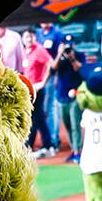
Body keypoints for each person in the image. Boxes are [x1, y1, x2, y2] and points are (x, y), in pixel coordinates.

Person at [21, 27, 55, 158]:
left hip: (37, 89)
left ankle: (29, 145)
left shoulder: (39, 49)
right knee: (39, 117)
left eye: (30, 36)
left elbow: (50, 63)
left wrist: (43, 82)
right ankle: (48, 145)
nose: (28, 39)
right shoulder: (25, 52)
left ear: (35, 37)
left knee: (35, 116)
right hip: (28, 89)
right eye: (26, 37)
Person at [36, 21, 66, 155]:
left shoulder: (57, 33)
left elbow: (60, 56)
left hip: (52, 75)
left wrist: (58, 76)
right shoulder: (37, 34)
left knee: (51, 108)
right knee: (41, 110)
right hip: (39, 77)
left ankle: (54, 140)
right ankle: (46, 141)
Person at [54, 33, 84, 162]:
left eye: (70, 45)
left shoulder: (79, 55)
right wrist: (60, 54)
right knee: (67, 125)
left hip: (75, 95)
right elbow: (53, 68)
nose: (68, 47)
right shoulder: (59, 57)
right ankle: (73, 149)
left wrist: (72, 58)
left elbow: (80, 69)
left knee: (75, 124)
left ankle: (78, 151)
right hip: (61, 95)